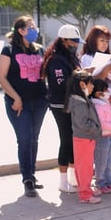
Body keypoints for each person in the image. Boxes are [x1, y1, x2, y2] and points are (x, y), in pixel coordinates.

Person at [0, 15, 48, 197]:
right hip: (18, 103)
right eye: (31, 27)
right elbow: (1, 77)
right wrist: (16, 98)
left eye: (35, 26)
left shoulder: (39, 50)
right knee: (24, 139)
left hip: (39, 101)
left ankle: (32, 174)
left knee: (34, 139)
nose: (35, 30)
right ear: (21, 30)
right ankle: (27, 179)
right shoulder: (8, 50)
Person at [42, 24, 82, 193]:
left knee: (73, 140)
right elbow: (61, 84)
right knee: (65, 140)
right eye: (73, 42)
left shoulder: (70, 58)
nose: (75, 45)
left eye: (77, 42)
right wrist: (81, 75)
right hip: (61, 105)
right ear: (64, 40)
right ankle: (63, 181)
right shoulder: (57, 60)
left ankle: (73, 178)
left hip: (72, 103)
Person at [67, 71, 102, 204]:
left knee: (86, 166)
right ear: (82, 84)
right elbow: (83, 123)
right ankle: (85, 194)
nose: (92, 86)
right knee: (84, 168)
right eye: (90, 83)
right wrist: (96, 128)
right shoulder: (79, 103)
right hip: (84, 138)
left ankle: (86, 189)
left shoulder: (82, 99)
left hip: (86, 138)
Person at [91, 78, 111, 195]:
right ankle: (100, 183)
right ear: (98, 93)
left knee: (108, 161)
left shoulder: (105, 104)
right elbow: (102, 124)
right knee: (101, 162)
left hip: (109, 136)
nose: (108, 92)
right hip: (102, 137)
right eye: (105, 90)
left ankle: (109, 181)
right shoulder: (97, 106)